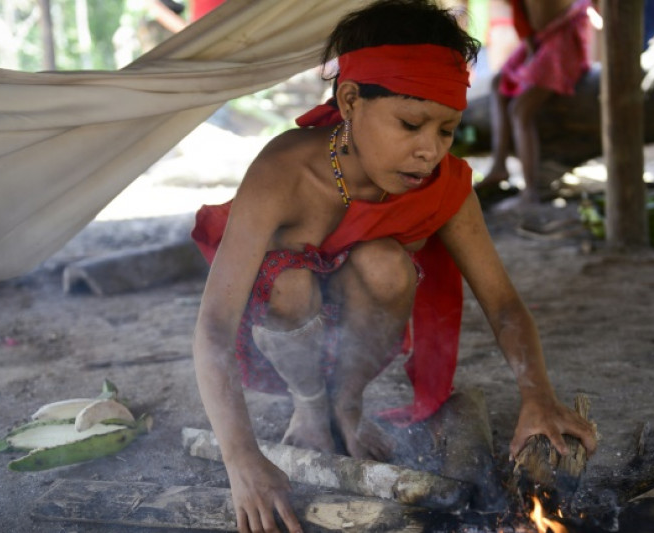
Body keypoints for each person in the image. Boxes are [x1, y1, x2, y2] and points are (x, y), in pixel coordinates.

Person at [190, 1, 598, 531]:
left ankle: (348, 405)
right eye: (411, 124)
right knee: (287, 285)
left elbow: (503, 304)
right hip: (291, 322)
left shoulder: (445, 185)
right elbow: (214, 327)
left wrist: (537, 396)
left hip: (361, 324)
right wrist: (241, 460)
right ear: (351, 99)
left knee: (387, 265)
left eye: (447, 129)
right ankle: (311, 405)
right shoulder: (283, 172)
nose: (429, 150)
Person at [476, 0, 595, 208]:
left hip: (563, 34)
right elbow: (524, 18)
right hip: (539, 38)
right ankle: (499, 166)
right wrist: (531, 51)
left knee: (521, 109)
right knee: (498, 83)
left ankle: (531, 192)